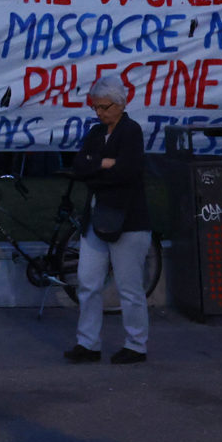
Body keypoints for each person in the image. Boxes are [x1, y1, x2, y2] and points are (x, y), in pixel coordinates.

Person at [63, 71, 150, 366]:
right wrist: (102, 164)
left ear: (121, 104)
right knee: (87, 282)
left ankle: (136, 344)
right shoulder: (96, 134)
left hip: (129, 219)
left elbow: (127, 171)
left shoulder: (132, 131)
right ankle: (88, 342)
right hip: (97, 216)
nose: (99, 113)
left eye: (104, 107)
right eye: (96, 107)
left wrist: (94, 170)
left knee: (129, 286)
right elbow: (79, 165)